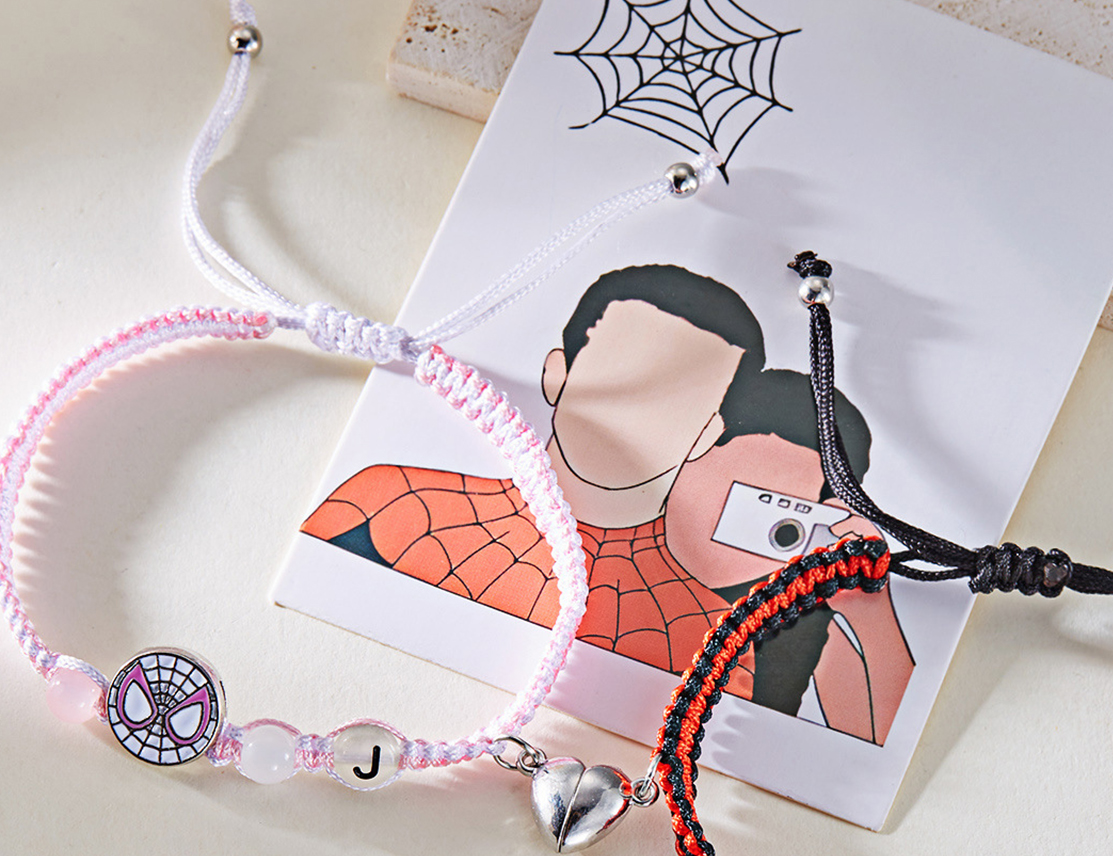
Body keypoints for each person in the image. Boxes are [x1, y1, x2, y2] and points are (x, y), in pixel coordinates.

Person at [301, 264, 767, 694]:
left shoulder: (717, 638)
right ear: (556, 375)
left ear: (708, 433)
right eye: (619, 374)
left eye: (678, 399)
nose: (637, 417)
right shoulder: (389, 503)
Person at [662, 367, 914, 744]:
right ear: (696, 446)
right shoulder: (610, 542)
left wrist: (868, 599)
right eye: (746, 495)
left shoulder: (798, 620)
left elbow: (874, 737)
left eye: (787, 519)